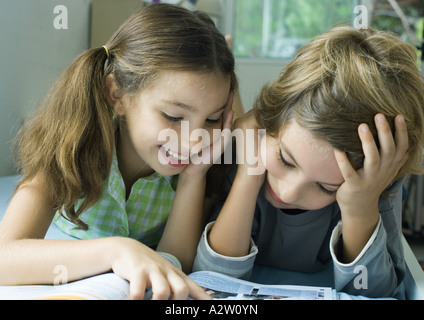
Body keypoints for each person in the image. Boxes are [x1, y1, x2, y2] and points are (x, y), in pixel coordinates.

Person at [0, 3, 239, 300]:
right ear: (117, 95)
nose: (193, 142)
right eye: (174, 117)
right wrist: (116, 250)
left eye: (212, 119)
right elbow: (4, 257)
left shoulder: (200, 162)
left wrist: (194, 176)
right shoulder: (73, 142)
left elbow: (174, 262)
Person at [193, 26, 424, 299]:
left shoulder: (372, 183)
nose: (288, 192)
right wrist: (249, 173)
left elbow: (375, 294)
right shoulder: (247, 149)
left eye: (326, 187)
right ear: (268, 123)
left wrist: (360, 210)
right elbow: (212, 280)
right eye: (285, 160)